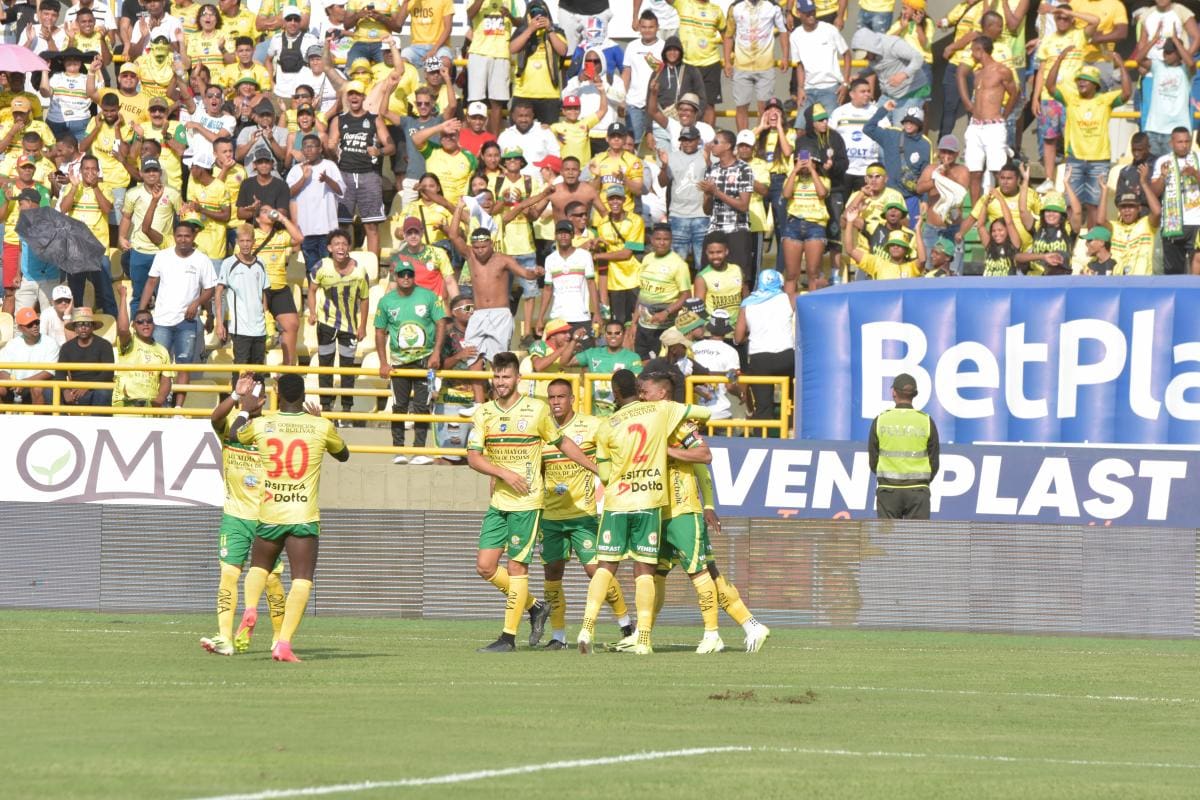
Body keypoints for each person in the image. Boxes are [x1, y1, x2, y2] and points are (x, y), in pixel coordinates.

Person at [467, 351, 597, 652]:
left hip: (527, 500)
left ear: (518, 379)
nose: (501, 382)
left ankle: (508, 638)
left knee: (516, 568)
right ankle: (536, 607)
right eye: (497, 376)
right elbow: (473, 456)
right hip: (500, 499)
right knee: (485, 567)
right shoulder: (484, 412)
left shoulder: (536, 410)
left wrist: (594, 467)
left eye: (506, 376)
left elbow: (562, 442)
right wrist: (502, 473)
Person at [576, 369, 710, 655]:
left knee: (606, 567)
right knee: (644, 570)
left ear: (614, 393)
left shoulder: (606, 425)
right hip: (649, 501)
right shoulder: (660, 409)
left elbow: (605, 473)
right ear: (638, 389)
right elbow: (703, 412)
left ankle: (587, 627)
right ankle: (644, 639)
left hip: (617, 502)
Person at [235, 372, 350, 662]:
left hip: (271, 511)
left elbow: (237, 433)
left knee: (259, 568)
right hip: (302, 514)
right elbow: (344, 454)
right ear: (303, 395)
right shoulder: (320, 426)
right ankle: (283, 644)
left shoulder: (262, 426)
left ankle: (250, 608)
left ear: (277, 392)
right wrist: (324, 421)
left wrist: (246, 408)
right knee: (302, 579)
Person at [538, 378, 633, 648]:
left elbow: (613, 448)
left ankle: (626, 624)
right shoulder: (543, 429)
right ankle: (558, 636)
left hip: (583, 516)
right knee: (552, 573)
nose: (556, 402)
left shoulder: (591, 426)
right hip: (551, 517)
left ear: (572, 399)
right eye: (552, 397)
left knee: (596, 571)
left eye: (561, 396)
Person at [1047, 51, 1131, 227]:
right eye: (1079, 80)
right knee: (1070, 205)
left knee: (1094, 206)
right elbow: (1050, 86)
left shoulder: (1106, 100)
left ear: (1095, 84)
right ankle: (1071, 241)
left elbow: (1126, 93)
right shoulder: (1071, 98)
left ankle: (1093, 244)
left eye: (1085, 79)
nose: (1081, 82)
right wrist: (1060, 59)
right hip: (1075, 159)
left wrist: (1121, 65)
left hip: (1099, 160)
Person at [139, 220, 217, 407]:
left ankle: (178, 408)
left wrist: (197, 303)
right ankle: (159, 404)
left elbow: (210, 289)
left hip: (187, 322)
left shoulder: (202, 260)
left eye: (187, 236)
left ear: (193, 237)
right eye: (179, 235)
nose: (183, 239)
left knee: (183, 366)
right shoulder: (162, 256)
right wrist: (141, 312)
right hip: (161, 320)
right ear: (174, 236)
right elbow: (151, 283)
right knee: (160, 366)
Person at [374, 262, 446, 465]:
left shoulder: (429, 296)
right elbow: (379, 331)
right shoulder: (386, 301)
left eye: (409, 274)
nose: (406, 277)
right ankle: (399, 450)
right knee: (399, 406)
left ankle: (420, 450)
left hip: (425, 361)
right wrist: (383, 362)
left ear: (414, 276)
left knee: (422, 406)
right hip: (399, 363)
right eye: (401, 274)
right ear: (395, 277)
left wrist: (436, 354)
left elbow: (441, 323)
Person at [325, 80, 394, 258]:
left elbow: (391, 147)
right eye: (350, 94)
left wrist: (378, 151)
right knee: (342, 225)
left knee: (371, 225)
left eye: (357, 94)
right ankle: (342, 263)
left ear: (363, 97)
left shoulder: (374, 118)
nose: (354, 97)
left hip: (369, 175)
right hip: (345, 174)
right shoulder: (339, 120)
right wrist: (331, 148)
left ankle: (373, 270)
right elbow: (331, 147)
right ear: (347, 97)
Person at [308, 229, 368, 420]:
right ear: (329, 248)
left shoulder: (359, 271)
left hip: (349, 327)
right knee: (325, 365)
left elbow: (365, 299)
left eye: (344, 244)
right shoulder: (321, 267)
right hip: (326, 324)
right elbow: (311, 290)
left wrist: (363, 326)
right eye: (336, 244)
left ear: (348, 247)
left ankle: (346, 410)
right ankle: (326, 408)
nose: (340, 247)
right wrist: (312, 312)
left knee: (347, 368)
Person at [868, 372, 939, 520]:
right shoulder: (926, 421)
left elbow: (873, 460)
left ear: (893, 392)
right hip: (918, 492)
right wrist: (921, 480)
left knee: (887, 541)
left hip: (888, 491)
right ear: (914, 395)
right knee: (916, 540)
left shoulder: (881, 420)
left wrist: (887, 477)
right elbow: (934, 461)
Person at [962, 35, 1020, 206]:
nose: (971, 54)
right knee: (974, 171)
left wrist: (1005, 115)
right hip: (975, 126)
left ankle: (1003, 208)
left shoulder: (1001, 71)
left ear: (981, 50)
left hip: (994, 126)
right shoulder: (977, 73)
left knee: (997, 170)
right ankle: (976, 211)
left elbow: (1014, 93)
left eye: (973, 50)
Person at [119, 157, 181, 315]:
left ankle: (161, 334)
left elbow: (182, 218)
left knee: (165, 296)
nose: (152, 174)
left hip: (164, 251)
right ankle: (136, 331)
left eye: (155, 170)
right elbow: (126, 217)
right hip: (139, 250)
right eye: (147, 170)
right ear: (141, 173)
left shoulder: (173, 193)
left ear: (160, 172)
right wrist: (121, 237)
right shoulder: (133, 193)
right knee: (139, 297)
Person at [734, 269, 794, 427]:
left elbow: (738, 338)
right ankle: (793, 433)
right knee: (794, 399)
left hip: (760, 359)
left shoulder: (747, 303)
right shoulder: (789, 299)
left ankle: (763, 442)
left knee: (763, 406)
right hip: (787, 357)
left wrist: (753, 335)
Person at [723, 0, 788, 133]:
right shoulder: (735, 7)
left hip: (765, 66)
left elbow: (783, 31)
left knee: (764, 108)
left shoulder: (773, 6)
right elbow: (728, 35)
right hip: (741, 65)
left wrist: (785, 56)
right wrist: (727, 62)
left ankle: (759, 142)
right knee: (741, 107)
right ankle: (743, 143)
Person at [701, 130, 754, 289]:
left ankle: (742, 312)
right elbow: (706, 210)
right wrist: (709, 195)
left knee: (741, 278)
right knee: (707, 275)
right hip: (715, 228)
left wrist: (716, 192)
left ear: (728, 145)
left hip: (737, 229)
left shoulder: (744, 169)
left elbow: (743, 205)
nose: (711, 146)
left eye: (716, 142)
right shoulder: (711, 169)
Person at [286, 132, 343, 278]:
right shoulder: (295, 169)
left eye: (312, 147)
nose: (308, 150)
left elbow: (341, 190)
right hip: (306, 230)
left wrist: (327, 180)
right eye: (305, 147)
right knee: (312, 271)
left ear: (320, 149)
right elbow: (289, 193)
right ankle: (314, 300)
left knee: (330, 270)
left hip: (327, 230)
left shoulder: (329, 166)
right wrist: (304, 179)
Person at [631, 222, 691, 360]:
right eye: (658, 239)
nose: (662, 243)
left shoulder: (679, 264)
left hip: (664, 328)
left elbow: (686, 295)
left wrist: (666, 312)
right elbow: (643, 292)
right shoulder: (647, 259)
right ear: (652, 240)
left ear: (671, 241)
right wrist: (634, 322)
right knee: (642, 365)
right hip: (643, 326)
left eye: (666, 239)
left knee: (660, 367)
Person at [864, 101, 929, 223]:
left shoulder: (925, 145)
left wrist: (925, 199)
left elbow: (925, 175)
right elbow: (868, 128)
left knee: (910, 234)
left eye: (912, 122)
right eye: (906, 121)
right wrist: (884, 110)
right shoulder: (892, 135)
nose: (908, 125)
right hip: (889, 196)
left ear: (919, 124)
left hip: (910, 197)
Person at [214, 224, 269, 370]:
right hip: (240, 330)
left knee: (258, 374)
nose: (245, 244)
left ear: (254, 242)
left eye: (248, 241)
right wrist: (219, 322)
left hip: (260, 329)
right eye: (242, 241)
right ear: (237, 241)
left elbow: (263, 293)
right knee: (241, 372)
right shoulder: (228, 264)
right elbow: (219, 292)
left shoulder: (261, 263)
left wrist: (267, 319)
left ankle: (258, 393)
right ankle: (237, 393)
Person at [591, 185, 645, 326]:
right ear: (607, 201)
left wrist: (597, 257)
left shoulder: (636, 220)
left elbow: (626, 253)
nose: (615, 202)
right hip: (614, 281)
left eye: (618, 198)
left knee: (637, 320)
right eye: (611, 199)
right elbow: (602, 251)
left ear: (624, 200)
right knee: (619, 322)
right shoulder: (602, 223)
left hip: (634, 277)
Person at [788, 0, 850, 123]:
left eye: (813, 11)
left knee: (830, 127)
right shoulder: (795, 35)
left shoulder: (830, 30)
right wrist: (800, 88)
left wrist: (845, 83)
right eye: (807, 13)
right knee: (800, 128)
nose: (811, 15)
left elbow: (847, 54)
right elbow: (799, 65)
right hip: (808, 89)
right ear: (799, 13)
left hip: (831, 88)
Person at [849, 28, 929, 122]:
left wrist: (904, 74)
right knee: (873, 124)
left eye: (866, 55)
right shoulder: (872, 55)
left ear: (871, 47)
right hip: (888, 95)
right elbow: (876, 67)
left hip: (911, 93)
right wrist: (860, 74)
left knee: (900, 128)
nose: (865, 58)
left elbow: (918, 58)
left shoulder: (893, 45)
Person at [112, 284, 172, 409]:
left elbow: (166, 381)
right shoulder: (129, 342)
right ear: (133, 326)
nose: (145, 324)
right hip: (125, 404)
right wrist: (123, 297)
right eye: (140, 322)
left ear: (154, 325)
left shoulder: (162, 350)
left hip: (150, 406)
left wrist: (159, 401)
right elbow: (123, 329)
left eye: (149, 321)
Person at [659, 125, 709, 270]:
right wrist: (664, 166)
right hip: (678, 215)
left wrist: (709, 163)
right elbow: (663, 183)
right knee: (678, 264)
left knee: (703, 263)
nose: (686, 143)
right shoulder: (671, 156)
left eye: (690, 140)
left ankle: (702, 292)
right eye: (683, 140)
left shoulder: (705, 155)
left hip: (701, 215)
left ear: (698, 140)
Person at [781, 147, 831, 292]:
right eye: (800, 161)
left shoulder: (823, 179)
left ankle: (813, 310)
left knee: (813, 273)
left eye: (808, 161)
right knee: (791, 274)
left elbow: (822, 193)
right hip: (793, 225)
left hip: (815, 226)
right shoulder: (791, 178)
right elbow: (786, 194)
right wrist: (795, 170)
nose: (804, 163)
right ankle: (790, 310)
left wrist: (812, 170)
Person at [509, 3, 568, 125]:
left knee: (549, 136)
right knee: (520, 133)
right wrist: (530, 29)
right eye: (534, 14)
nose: (538, 18)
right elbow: (512, 49)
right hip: (523, 93)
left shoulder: (556, 31)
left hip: (549, 94)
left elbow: (562, 51)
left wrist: (550, 29)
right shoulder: (522, 30)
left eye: (542, 14)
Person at [1151, 126, 1200, 275]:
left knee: (1197, 268)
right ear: (1171, 143)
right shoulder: (1163, 161)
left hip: (1197, 223)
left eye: (1187, 141)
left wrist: (1194, 173)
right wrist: (1163, 177)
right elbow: (1154, 192)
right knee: (1173, 271)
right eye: (1180, 142)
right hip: (1173, 223)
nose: (1184, 145)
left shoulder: (1198, 158)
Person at [465, 0, 517, 135]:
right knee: (476, 100)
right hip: (478, 52)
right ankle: (473, 139)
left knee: (497, 102)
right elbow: (469, 14)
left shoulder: (510, 1)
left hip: (501, 54)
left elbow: (520, 22)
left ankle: (494, 141)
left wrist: (510, 16)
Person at [541, 218, 600, 336]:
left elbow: (591, 284)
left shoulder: (585, 256)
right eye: (560, 233)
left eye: (567, 232)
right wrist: (540, 318)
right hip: (557, 318)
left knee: (583, 354)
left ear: (573, 235)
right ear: (555, 236)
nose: (563, 236)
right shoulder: (550, 259)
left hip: (581, 316)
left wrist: (597, 312)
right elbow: (547, 289)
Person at [574, 319, 642, 416]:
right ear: (605, 335)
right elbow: (565, 362)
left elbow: (639, 384)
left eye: (617, 333)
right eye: (609, 333)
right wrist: (574, 340)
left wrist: (623, 377)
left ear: (623, 334)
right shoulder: (593, 353)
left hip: (620, 414)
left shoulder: (633, 357)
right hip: (594, 414)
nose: (613, 336)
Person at [55, 307, 115, 407]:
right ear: (74, 328)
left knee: (103, 393)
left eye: (87, 324)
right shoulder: (66, 348)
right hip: (74, 390)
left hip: (97, 388)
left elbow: (108, 374)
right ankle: (62, 422)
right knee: (50, 392)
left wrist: (87, 386)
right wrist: (66, 391)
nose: (83, 327)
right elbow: (59, 374)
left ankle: (97, 423)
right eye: (79, 324)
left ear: (92, 327)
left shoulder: (105, 345)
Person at [622, 10, 665, 150]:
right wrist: (622, 97)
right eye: (644, 27)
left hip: (657, 104)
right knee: (634, 143)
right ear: (639, 28)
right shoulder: (632, 46)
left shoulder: (664, 46)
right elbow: (626, 73)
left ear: (657, 28)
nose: (647, 30)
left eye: (651, 27)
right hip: (634, 103)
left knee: (659, 144)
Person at [0, 307, 59, 406]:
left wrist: (23, 383)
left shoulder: (51, 343)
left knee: (37, 389)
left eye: (37, 322)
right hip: (15, 386)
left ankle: (37, 422)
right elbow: (3, 371)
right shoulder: (12, 344)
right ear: (19, 328)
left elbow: (48, 373)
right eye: (29, 324)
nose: (35, 326)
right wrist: (11, 383)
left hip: (36, 385)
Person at [843, 206, 921, 279]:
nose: (895, 247)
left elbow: (922, 260)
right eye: (892, 245)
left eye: (899, 245)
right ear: (887, 248)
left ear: (906, 249)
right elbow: (850, 250)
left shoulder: (911, 267)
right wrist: (850, 221)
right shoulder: (877, 263)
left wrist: (918, 230)